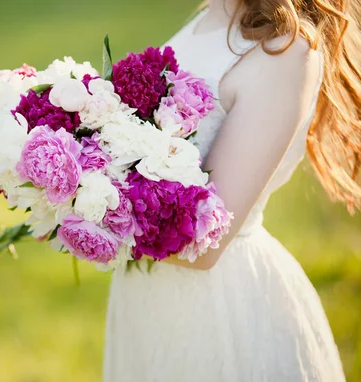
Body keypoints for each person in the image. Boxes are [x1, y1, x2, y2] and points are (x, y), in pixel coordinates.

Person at [103, 0, 360, 380]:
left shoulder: (285, 50)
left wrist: (82, 205)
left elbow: (204, 242)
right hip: (147, 292)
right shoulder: (216, 10)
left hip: (219, 303)